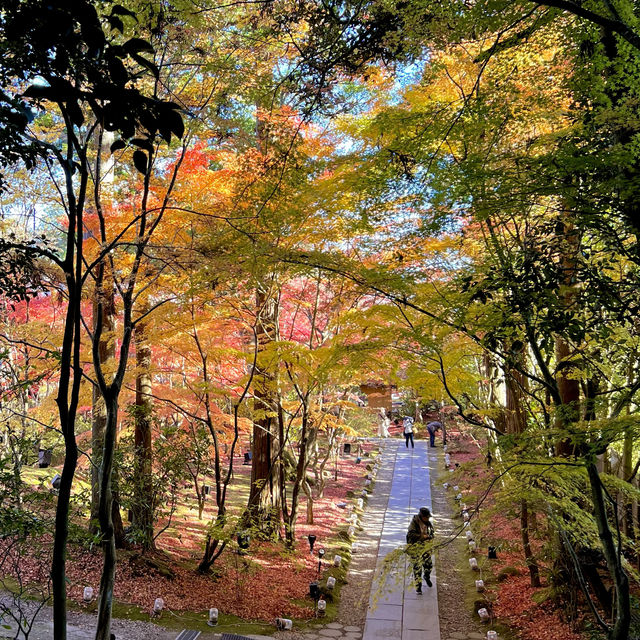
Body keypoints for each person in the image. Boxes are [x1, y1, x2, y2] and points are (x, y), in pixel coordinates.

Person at [406, 507, 434, 593]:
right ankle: (418, 585)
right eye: (427, 517)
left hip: (425, 547)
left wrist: (430, 537)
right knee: (417, 567)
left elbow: (432, 532)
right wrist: (422, 537)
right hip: (415, 547)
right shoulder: (414, 523)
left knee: (428, 565)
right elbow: (411, 534)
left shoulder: (428, 523)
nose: (428, 518)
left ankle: (427, 576)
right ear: (422, 516)